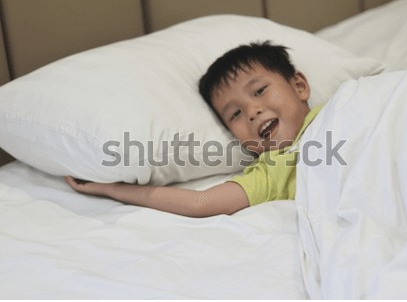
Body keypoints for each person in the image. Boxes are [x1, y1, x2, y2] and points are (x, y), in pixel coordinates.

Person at [66, 41, 322, 217]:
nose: (252, 112)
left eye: (259, 91)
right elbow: (200, 203)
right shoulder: (274, 169)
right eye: (235, 114)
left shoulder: (344, 103)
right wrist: (110, 189)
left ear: (299, 86)